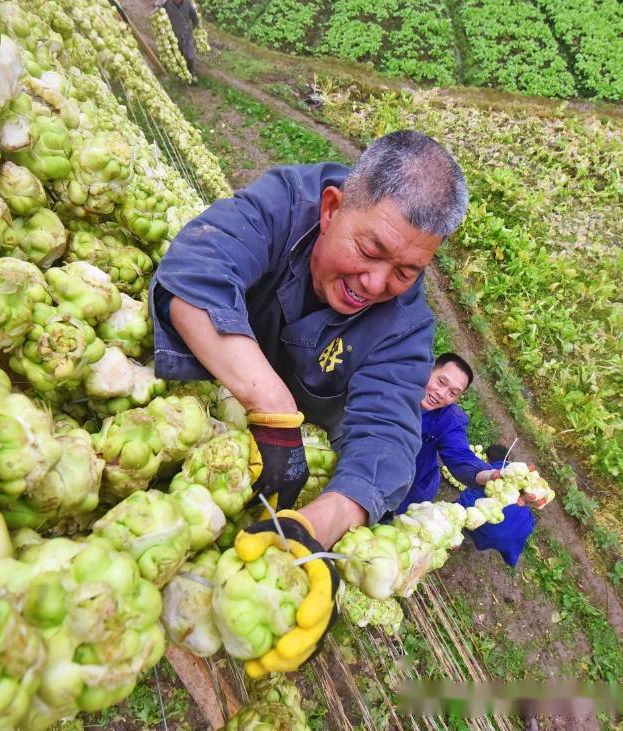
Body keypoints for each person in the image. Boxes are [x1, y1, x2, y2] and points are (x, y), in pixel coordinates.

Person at [150, 130, 469, 674]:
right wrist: (272, 407)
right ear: (331, 209)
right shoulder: (284, 204)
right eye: (370, 251)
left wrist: (316, 525)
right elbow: (196, 273)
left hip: (278, 468)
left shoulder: (406, 327)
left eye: (405, 272)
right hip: (189, 407)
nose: (374, 282)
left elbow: (388, 434)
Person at [394, 352, 496, 515]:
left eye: (453, 393)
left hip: (409, 487)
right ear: (428, 370)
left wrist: (489, 476)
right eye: (441, 382)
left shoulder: (450, 420)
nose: (442, 394)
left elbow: (460, 457)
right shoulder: (394, 383)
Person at [456, 444, 538, 567]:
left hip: (495, 530)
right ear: (508, 457)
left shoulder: (491, 475)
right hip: (521, 529)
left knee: (469, 520)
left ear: (487, 460)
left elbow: (466, 502)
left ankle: (460, 539)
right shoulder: (519, 475)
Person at [155, 0, 200, 75]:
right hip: (173, 34)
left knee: (190, 55)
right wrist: (157, 4)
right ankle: (179, 74)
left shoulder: (187, 3)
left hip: (186, 34)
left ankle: (191, 72)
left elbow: (194, 18)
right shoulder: (166, 3)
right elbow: (155, 5)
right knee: (176, 54)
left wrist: (193, 27)